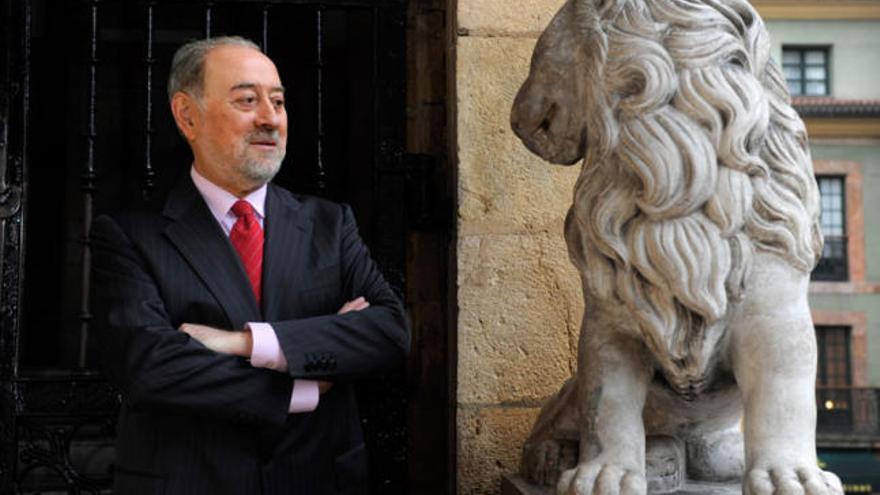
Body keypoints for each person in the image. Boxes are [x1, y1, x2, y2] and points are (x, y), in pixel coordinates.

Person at [91, 36, 409, 495]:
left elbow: (389, 332)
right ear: (187, 116)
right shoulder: (129, 235)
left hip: (318, 479)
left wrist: (242, 342)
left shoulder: (330, 224)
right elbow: (150, 366)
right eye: (247, 99)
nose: (269, 118)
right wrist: (306, 386)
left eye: (277, 101)